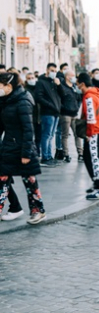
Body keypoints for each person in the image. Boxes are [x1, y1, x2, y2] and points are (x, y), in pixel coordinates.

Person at [0, 72, 46, 224]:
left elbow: (28, 130)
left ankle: (38, 211)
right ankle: (12, 208)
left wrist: (26, 153)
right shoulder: (6, 100)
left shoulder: (23, 101)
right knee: (2, 178)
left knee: (30, 180)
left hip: (22, 148)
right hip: (8, 146)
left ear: (8, 86)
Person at [76, 73, 99, 200]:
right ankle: (97, 182)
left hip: (95, 130)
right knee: (88, 156)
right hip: (98, 129)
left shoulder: (89, 97)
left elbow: (91, 118)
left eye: (78, 83)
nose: (77, 86)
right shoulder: (95, 93)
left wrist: (89, 134)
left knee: (93, 157)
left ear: (83, 84)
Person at [34, 63, 62, 167]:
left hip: (55, 112)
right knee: (46, 135)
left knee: (51, 135)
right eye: (51, 70)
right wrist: (51, 105)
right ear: (47, 70)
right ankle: (45, 157)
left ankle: (49, 156)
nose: (53, 73)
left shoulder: (54, 82)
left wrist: (58, 85)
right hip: (47, 112)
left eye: (55, 71)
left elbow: (63, 95)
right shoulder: (41, 82)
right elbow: (39, 97)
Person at [58, 70, 83, 163]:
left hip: (75, 114)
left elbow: (79, 98)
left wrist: (77, 107)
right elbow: (60, 98)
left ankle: (80, 153)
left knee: (78, 134)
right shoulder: (62, 87)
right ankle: (66, 154)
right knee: (65, 135)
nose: (74, 78)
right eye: (72, 76)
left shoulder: (74, 87)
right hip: (65, 114)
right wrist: (63, 108)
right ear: (67, 77)